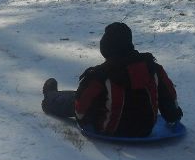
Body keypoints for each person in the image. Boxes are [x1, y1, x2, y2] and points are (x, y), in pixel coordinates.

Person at [42, 22, 183, 137]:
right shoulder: (153, 68)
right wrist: (172, 117)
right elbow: (169, 98)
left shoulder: (101, 75)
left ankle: (49, 98)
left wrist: (90, 116)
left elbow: (80, 111)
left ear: (106, 48)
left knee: (75, 99)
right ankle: (54, 96)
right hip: (146, 131)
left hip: (109, 129)